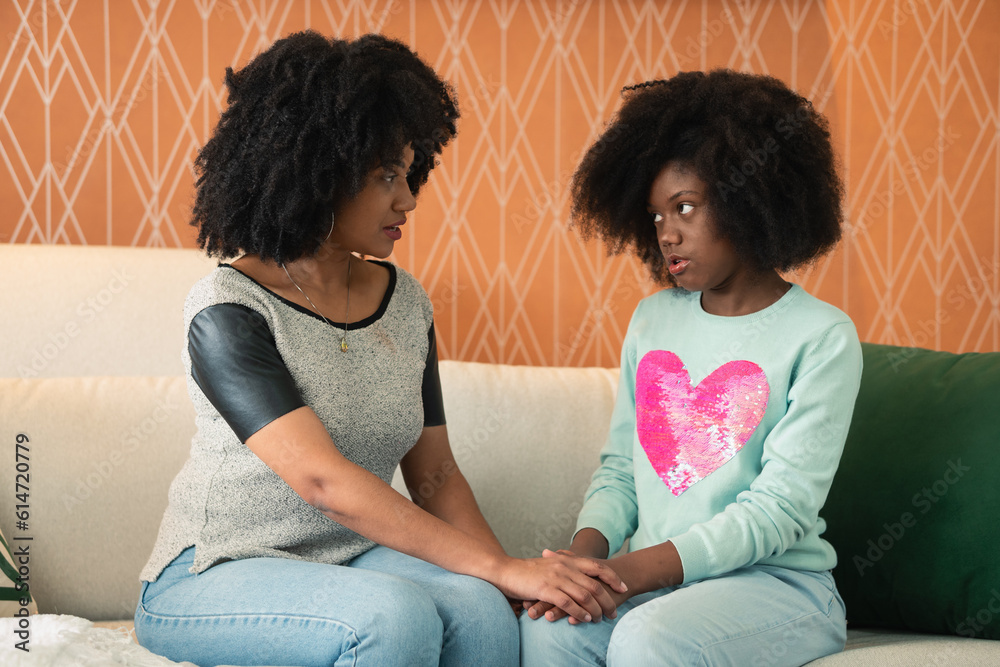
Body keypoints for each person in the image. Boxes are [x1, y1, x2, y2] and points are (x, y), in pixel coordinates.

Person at [134, 31, 626, 667]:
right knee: (390, 618)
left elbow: (435, 476)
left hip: (349, 557)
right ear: (319, 174)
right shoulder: (229, 309)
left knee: (478, 608)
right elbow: (321, 481)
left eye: (408, 173)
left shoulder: (406, 302)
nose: (409, 197)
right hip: (212, 572)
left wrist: (503, 579)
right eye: (386, 176)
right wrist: (503, 566)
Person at [519, 70, 863, 666]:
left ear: (751, 200)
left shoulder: (822, 337)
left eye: (685, 208)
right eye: (655, 217)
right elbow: (622, 470)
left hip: (779, 589)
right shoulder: (654, 320)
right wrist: (580, 565)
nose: (668, 235)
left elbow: (776, 513)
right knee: (550, 630)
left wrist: (623, 573)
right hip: (659, 586)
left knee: (650, 639)